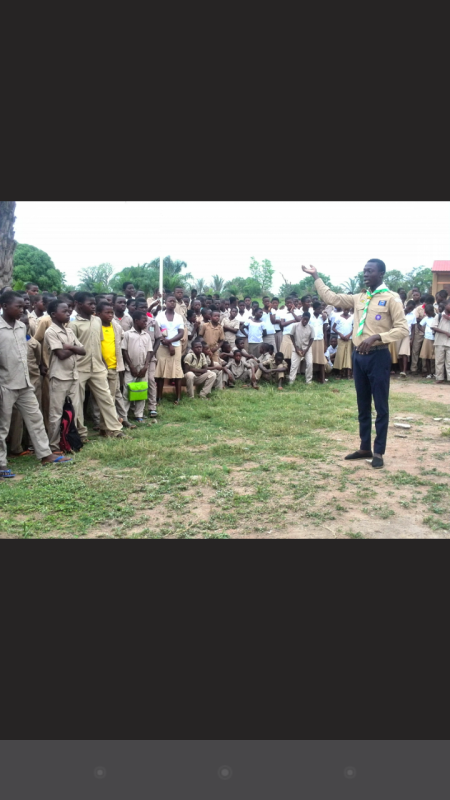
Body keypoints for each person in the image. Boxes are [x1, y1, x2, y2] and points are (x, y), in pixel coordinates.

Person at [302, 260, 408, 468]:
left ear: (382, 273)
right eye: (364, 271)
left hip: (378, 356)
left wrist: (377, 336)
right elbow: (331, 297)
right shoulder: (359, 297)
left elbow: (403, 329)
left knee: (380, 405)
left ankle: (378, 452)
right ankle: (364, 447)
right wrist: (316, 277)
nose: (366, 274)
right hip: (358, 356)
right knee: (362, 403)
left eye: (370, 271)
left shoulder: (391, 298)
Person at [0, 291, 72, 476]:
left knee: (36, 419)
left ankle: (45, 454)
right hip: (5, 385)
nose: (22, 309)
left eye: (23, 307)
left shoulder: (20, 327)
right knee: (3, 426)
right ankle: (1, 464)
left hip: (24, 383)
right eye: (18, 306)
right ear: (5, 306)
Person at [68, 292, 125, 440]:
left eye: (94, 303)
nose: (93, 306)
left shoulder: (97, 321)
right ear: (79, 304)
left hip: (98, 367)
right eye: (90, 304)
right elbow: (71, 348)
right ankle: (80, 434)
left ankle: (114, 430)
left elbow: (99, 343)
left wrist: (104, 364)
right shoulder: (73, 324)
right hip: (80, 367)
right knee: (77, 402)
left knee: (106, 398)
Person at [43, 299, 86, 453]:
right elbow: (60, 354)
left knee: (73, 411)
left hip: (73, 376)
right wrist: (73, 348)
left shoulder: (69, 331)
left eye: (69, 311)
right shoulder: (51, 332)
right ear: (54, 314)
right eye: (65, 311)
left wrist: (69, 347)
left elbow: (83, 351)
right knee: (56, 413)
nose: (69, 313)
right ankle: (54, 445)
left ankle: (68, 442)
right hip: (59, 377)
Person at [90, 301, 131, 429]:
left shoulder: (116, 327)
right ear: (98, 314)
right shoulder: (94, 326)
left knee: (111, 397)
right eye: (107, 313)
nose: (110, 315)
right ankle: (98, 421)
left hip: (113, 366)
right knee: (98, 397)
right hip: (98, 366)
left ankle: (110, 421)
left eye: (111, 313)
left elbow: (121, 341)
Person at [121, 310, 153, 422]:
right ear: (136, 321)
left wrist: (146, 366)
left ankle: (138, 414)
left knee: (141, 391)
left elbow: (149, 351)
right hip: (131, 368)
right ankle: (123, 416)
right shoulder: (127, 334)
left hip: (143, 368)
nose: (146, 323)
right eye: (144, 321)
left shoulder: (147, 336)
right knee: (127, 391)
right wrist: (131, 366)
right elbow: (124, 351)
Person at [155, 295, 185, 405]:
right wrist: (167, 343)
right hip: (162, 347)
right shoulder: (159, 316)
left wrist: (170, 342)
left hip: (176, 346)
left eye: (174, 301)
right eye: (170, 301)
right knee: (160, 372)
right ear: (165, 302)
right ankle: (159, 397)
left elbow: (181, 333)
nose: (172, 303)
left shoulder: (179, 317)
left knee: (177, 372)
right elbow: (157, 331)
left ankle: (178, 398)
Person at [289, 312, 314, 384]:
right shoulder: (295, 326)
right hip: (297, 348)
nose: (305, 321)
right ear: (301, 318)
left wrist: (306, 349)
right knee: (294, 365)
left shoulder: (311, 327)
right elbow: (291, 335)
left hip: (307, 348)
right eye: (304, 319)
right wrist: (296, 348)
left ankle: (308, 381)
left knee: (309, 364)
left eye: (307, 320)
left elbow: (311, 339)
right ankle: (291, 381)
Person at [431, 300, 450, 383]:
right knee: (439, 361)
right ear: (446, 305)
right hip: (439, 341)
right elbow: (433, 327)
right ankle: (439, 378)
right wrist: (445, 332)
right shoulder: (439, 316)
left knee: (449, 362)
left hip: (448, 343)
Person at [332, 308, 354, 379]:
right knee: (340, 355)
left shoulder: (352, 317)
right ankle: (340, 374)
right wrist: (340, 334)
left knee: (348, 356)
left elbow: (354, 328)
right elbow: (333, 328)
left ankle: (348, 374)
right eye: (345, 309)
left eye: (347, 309)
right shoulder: (338, 317)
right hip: (341, 339)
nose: (346, 310)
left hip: (349, 339)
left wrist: (349, 335)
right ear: (342, 309)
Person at [397, 299, 416, 378]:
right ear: (406, 306)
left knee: (404, 352)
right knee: (398, 354)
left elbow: (413, 328)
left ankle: (404, 371)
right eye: (409, 308)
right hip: (397, 334)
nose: (410, 310)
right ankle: (401, 370)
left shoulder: (413, 316)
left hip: (407, 335)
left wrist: (412, 338)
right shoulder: (399, 313)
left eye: (412, 309)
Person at [309, 302, 328, 383]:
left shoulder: (323, 317)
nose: (320, 310)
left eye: (321, 309)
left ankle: (323, 379)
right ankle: (311, 378)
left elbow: (325, 330)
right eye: (318, 309)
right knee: (311, 360)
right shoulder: (310, 317)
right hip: (312, 340)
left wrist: (325, 342)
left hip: (320, 340)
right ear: (314, 309)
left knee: (321, 360)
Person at [419, 304, 436, 378]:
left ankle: (435, 372)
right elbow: (419, 325)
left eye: (429, 313)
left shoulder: (437, 317)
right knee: (427, 356)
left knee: (435, 357)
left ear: (432, 311)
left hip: (436, 339)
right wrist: (424, 331)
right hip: (427, 338)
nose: (428, 314)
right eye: (427, 313)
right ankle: (429, 373)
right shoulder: (426, 318)